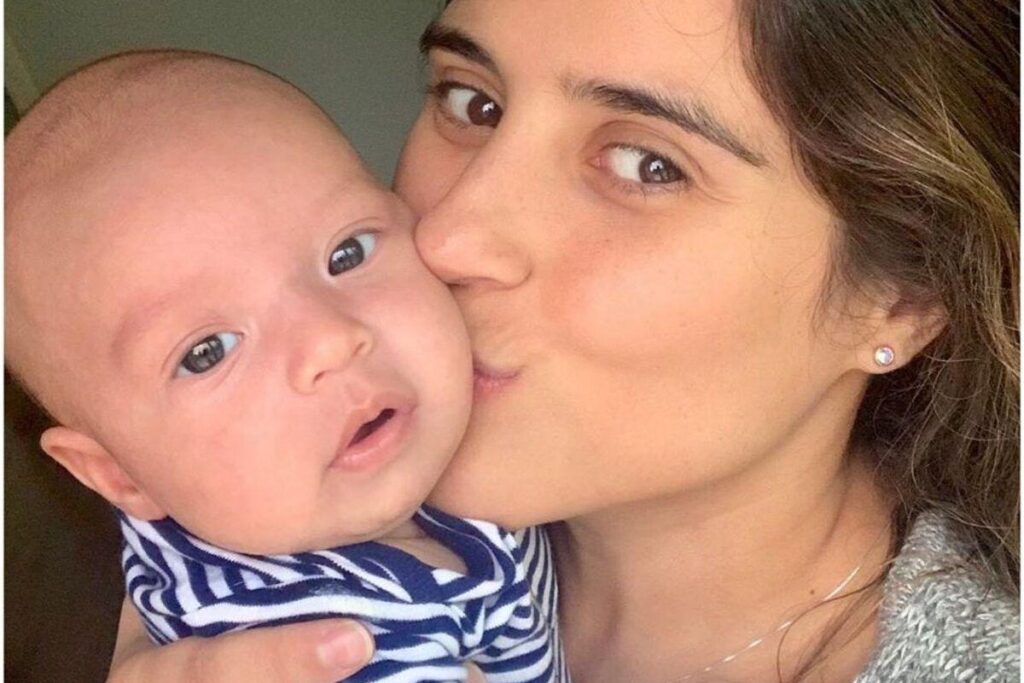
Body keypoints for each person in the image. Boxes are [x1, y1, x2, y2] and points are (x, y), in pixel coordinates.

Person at [105, 0, 1019, 681]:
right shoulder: (241, 542)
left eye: (646, 165)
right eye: (471, 102)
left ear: (902, 299)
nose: (445, 235)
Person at [5, 50, 564, 682]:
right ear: (117, 473)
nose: (330, 341)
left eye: (347, 253)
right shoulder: (316, 641)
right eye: (207, 351)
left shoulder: (474, 452)